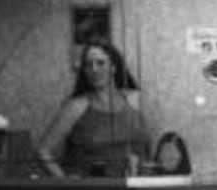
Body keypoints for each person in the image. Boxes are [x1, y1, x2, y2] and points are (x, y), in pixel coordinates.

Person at [37, 40, 152, 177]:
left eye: (100, 63)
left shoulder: (134, 99)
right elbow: (43, 151)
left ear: (113, 67)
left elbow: (145, 148)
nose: (94, 69)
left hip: (130, 189)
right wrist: (66, 183)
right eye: (88, 65)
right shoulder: (76, 106)